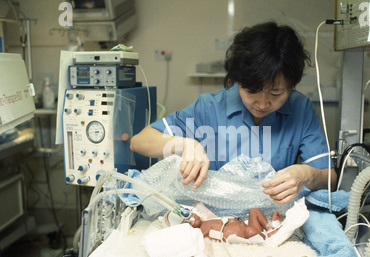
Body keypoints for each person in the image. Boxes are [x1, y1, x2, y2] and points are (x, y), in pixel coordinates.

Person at [131, 22, 337, 205]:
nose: (263, 103)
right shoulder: (209, 108)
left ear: (292, 86)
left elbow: (330, 178)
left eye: (276, 93)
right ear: (236, 80)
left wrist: (308, 175)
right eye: (252, 91)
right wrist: (185, 144)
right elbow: (139, 141)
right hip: (214, 215)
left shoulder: (299, 108)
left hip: (272, 216)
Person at [189, 208, 282, 257]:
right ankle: (269, 236)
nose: (192, 217)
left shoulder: (205, 219)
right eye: (188, 220)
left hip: (246, 226)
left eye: (190, 213)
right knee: (251, 231)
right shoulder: (199, 234)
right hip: (246, 234)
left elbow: (198, 209)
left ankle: (268, 226)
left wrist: (195, 209)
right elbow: (201, 248)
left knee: (254, 211)